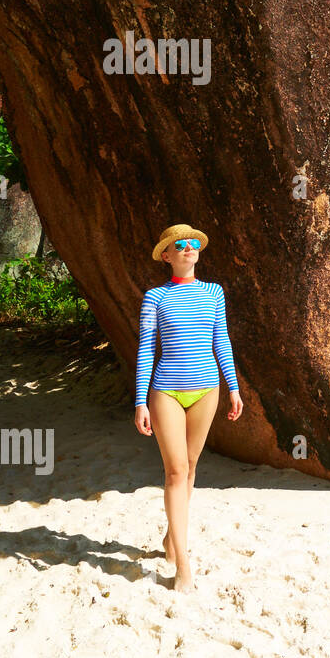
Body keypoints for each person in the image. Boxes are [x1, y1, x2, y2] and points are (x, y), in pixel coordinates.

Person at [133, 224, 243, 591]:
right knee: (176, 471)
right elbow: (147, 349)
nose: (189, 248)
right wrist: (139, 401)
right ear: (166, 255)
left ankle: (171, 536)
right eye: (180, 245)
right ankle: (183, 564)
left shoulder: (213, 292)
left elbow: (222, 340)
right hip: (165, 393)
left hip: (207, 391)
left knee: (192, 466)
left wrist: (234, 387)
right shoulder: (155, 298)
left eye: (194, 243)